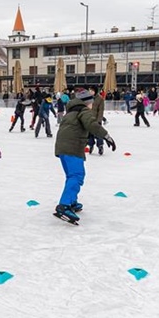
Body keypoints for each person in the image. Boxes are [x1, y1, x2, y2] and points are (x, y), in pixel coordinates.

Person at [53, 88, 116, 224]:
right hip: (72, 148)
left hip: (62, 148)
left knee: (72, 176)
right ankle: (64, 206)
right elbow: (91, 124)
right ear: (87, 102)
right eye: (91, 103)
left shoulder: (71, 111)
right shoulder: (83, 110)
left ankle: (71, 202)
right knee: (76, 176)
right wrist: (106, 136)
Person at [86, 87, 107, 154]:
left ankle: (100, 146)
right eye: (89, 90)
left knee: (98, 134)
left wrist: (99, 120)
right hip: (88, 119)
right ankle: (91, 145)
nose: (90, 92)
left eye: (91, 90)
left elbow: (101, 110)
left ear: (95, 91)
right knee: (89, 134)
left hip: (96, 119)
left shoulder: (100, 99)